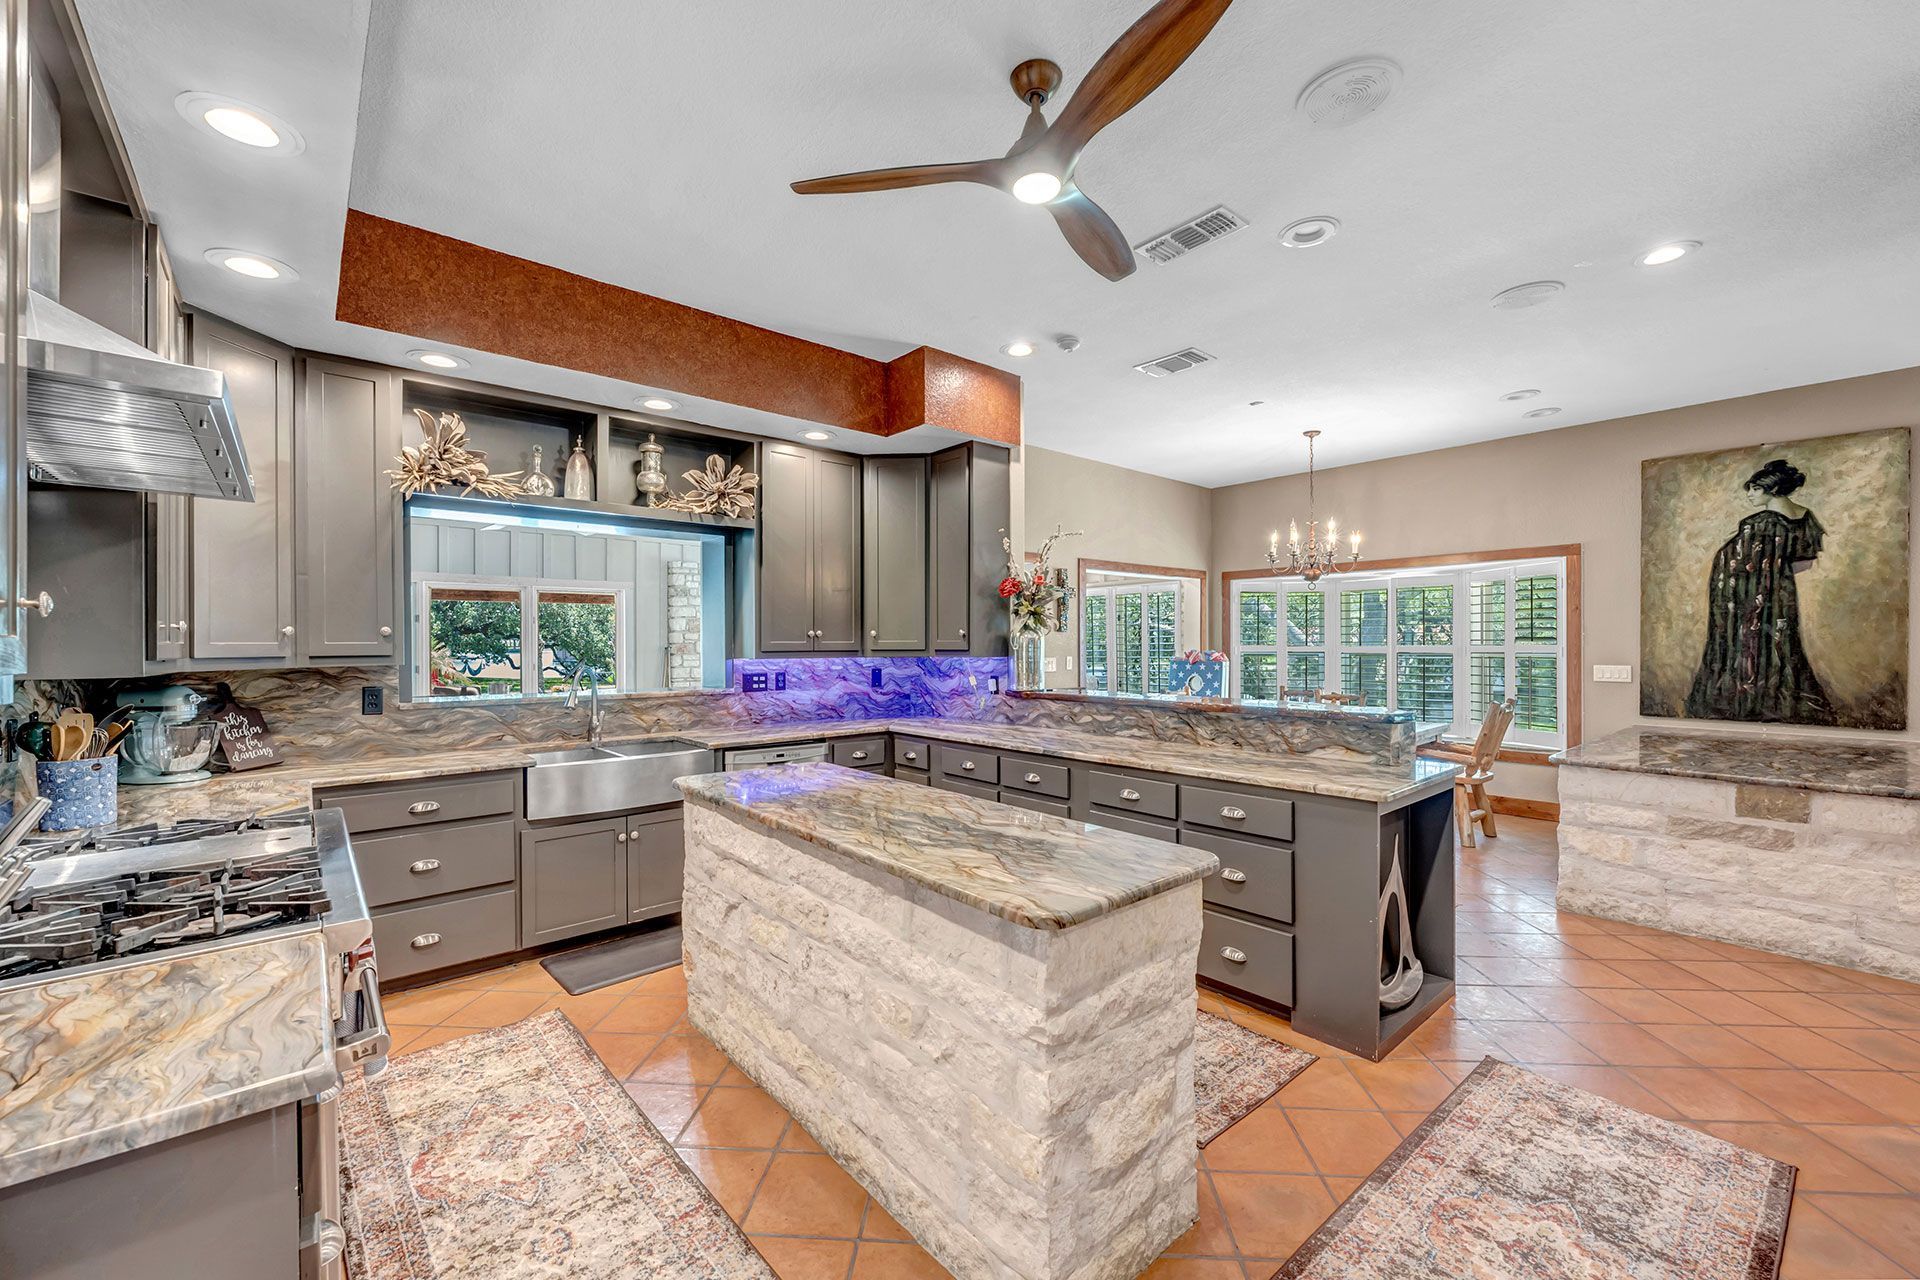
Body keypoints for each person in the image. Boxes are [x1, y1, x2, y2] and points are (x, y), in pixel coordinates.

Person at [1684, 458, 1836, 724]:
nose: (1750, 495)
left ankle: (1748, 702)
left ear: (1773, 490)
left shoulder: (1757, 523)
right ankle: (1773, 700)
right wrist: (1775, 577)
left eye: (1755, 489)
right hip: (1779, 595)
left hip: (1746, 601)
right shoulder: (1806, 518)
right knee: (1780, 644)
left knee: (1748, 646)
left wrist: (1756, 582)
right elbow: (1805, 562)